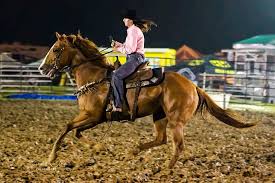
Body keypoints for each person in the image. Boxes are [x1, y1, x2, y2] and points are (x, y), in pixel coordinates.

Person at [109, 9, 156, 112]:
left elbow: (130, 50)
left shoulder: (133, 30)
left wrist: (118, 49)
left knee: (117, 75)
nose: (123, 20)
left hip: (135, 58)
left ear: (130, 20)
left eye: (125, 18)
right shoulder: (132, 30)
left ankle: (118, 106)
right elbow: (128, 47)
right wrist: (119, 45)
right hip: (134, 58)